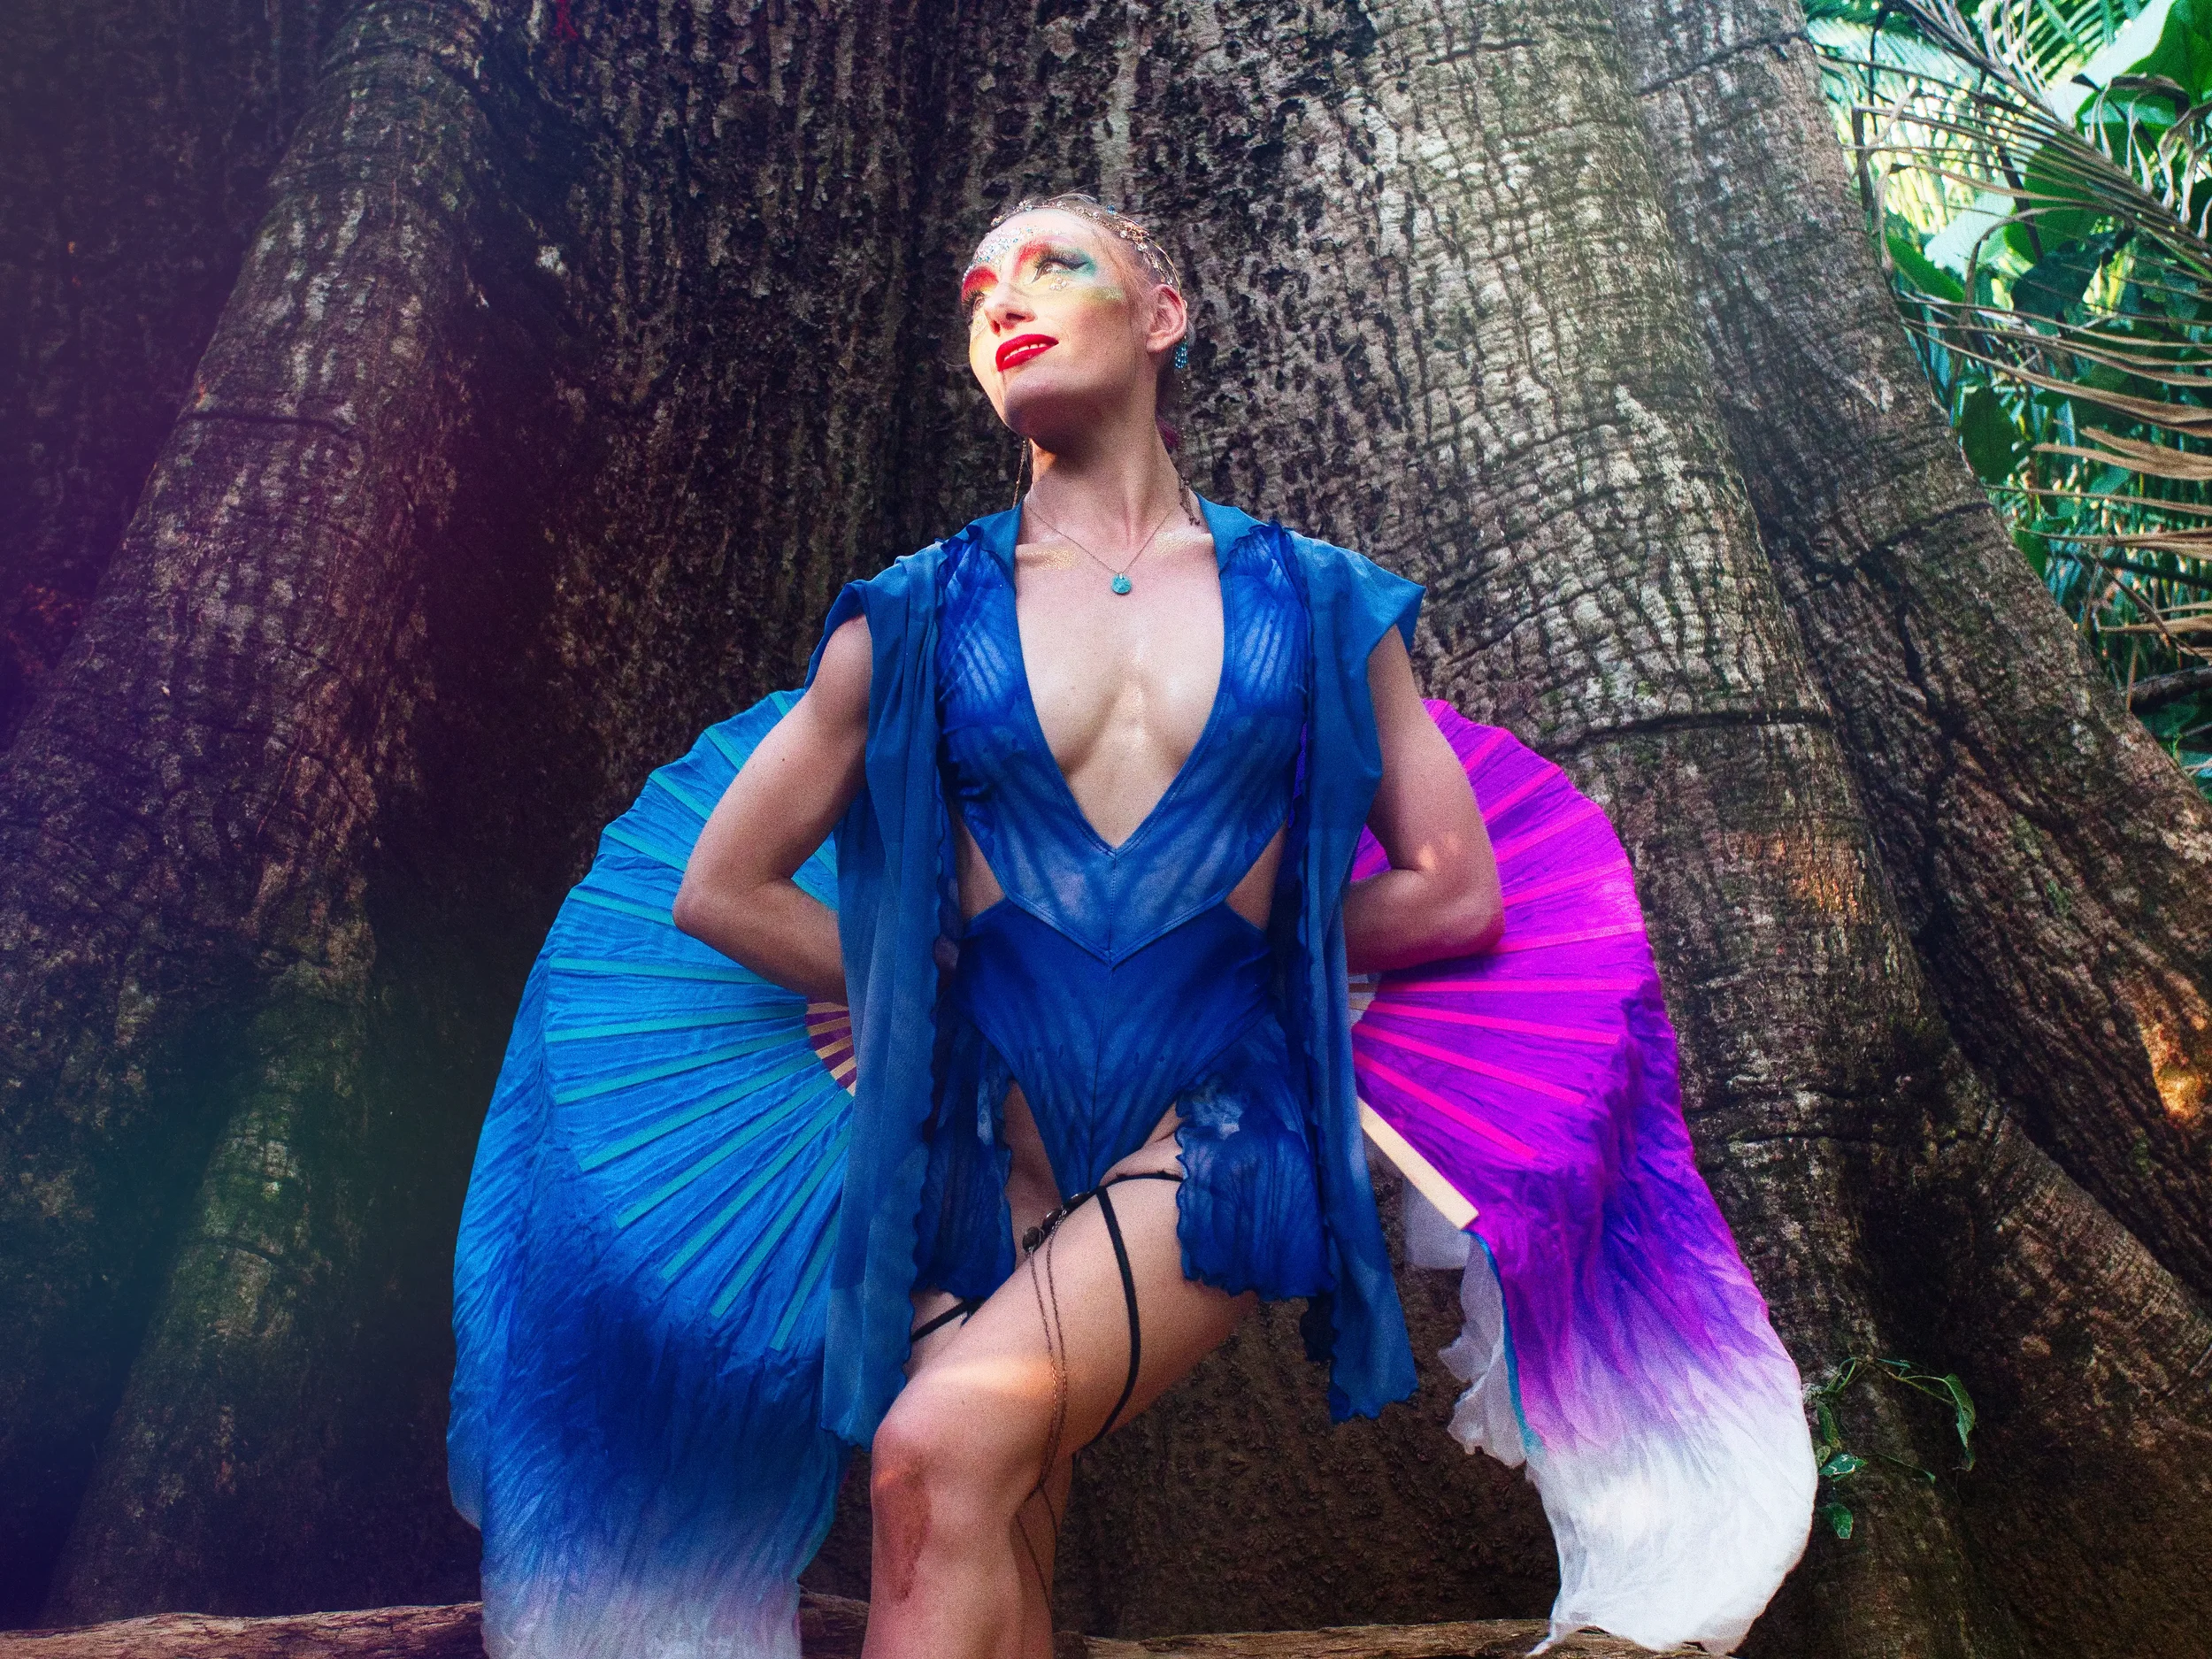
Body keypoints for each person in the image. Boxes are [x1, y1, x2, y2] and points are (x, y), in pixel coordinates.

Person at [448, 195, 1814, 1659]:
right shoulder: (905, 618)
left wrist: (1252, 939)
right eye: (979, 289)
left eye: (1054, 264)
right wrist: (923, 977)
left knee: (933, 1448)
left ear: (1163, 314)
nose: (1004, 299)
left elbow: (1455, 889)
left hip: (1222, 1127)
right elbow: (721, 886)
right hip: (974, 1145)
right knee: (973, 1516)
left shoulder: (1323, 603)